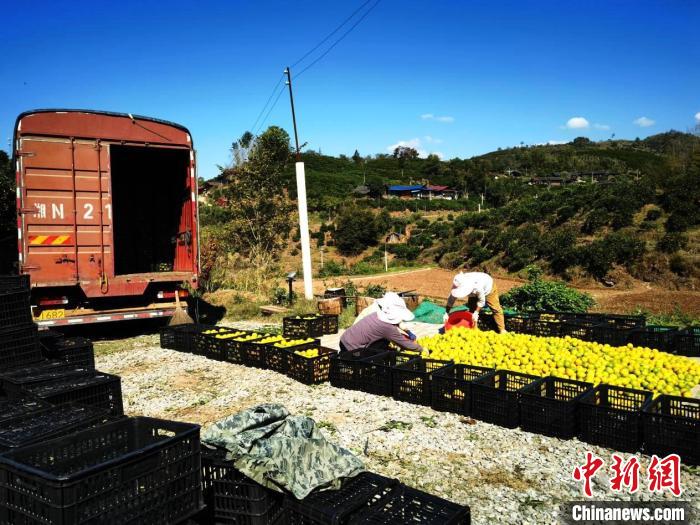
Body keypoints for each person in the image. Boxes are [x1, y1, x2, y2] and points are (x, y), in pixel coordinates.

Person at [340, 292, 422, 353]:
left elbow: (395, 321)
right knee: (385, 343)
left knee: (385, 340)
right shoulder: (387, 327)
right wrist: (421, 349)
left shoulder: (378, 313)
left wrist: (408, 332)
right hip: (350, 348)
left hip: (344, 340)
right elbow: (404, 344)